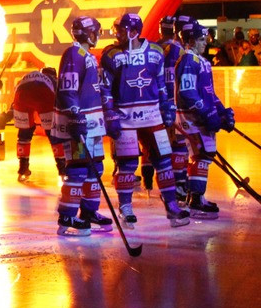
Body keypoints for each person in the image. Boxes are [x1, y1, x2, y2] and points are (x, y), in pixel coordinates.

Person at [101, 13, 189, 228]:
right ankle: (126, 208)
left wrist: (167, 105)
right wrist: (110, 113)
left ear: (133, 32)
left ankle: (171, 206)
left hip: (152, 115)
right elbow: (104, 88)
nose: (117, 33)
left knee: (164, 161)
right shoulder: (111, 54)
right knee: (128, 165)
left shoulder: (156, 52)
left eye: (122, 30)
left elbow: (161, 84)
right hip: (125, 118)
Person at [50, 16, 113, 237]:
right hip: (78, 125)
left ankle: (88, 212)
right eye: (94, 32)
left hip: (92, 125)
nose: (97, 36)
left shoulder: (87, 56)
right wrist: (75, 117)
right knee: (77, 169)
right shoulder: (74, 54)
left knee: (95, 168)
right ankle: (67, 214)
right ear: (87, 33)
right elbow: (68, 89)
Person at [175, 20, 236, 218]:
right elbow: (187, 92)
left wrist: (221, 111)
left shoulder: (201, 61)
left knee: (204, 156)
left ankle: (196, 197)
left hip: (200, 116)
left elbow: (209, 93)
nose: (205, 43)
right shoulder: (188, 61)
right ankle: (196, 200)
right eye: (201, 40)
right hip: (192, 118)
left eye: (205, 39)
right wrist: (207, 114)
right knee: (201, 156)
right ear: (190, 40)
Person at [156, 15, 193, 199]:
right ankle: (178, 182)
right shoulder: (180, 51)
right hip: (175, 106)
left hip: (156, 106)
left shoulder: (153, 48)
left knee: (162, 147)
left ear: (160, 29)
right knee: (179, 145)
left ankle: (170, 183)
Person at [3, 67, 61, 182]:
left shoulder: (28, 76)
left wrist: (7, 115)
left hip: (22, 94)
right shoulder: (54, 80)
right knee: (53, 134)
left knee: (24, 134)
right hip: (44, 95)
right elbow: (61, 99)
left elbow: (16, 99)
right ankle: (62, 169)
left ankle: (23, 168)